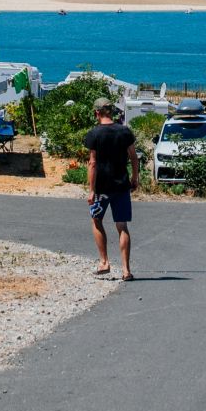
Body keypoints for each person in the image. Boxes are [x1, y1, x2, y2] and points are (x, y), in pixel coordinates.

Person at [84, 98, 139, 281]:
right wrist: (134, 177)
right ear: (111, 112)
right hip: (121, 185)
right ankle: (126, 270)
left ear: (96, 113)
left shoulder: (94, 134)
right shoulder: (124, 131)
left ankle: (104, 262)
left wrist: (91, 190)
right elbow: (133, 157)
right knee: (122, 226)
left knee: (97, 220)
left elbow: (92, 163)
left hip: (101, 188)